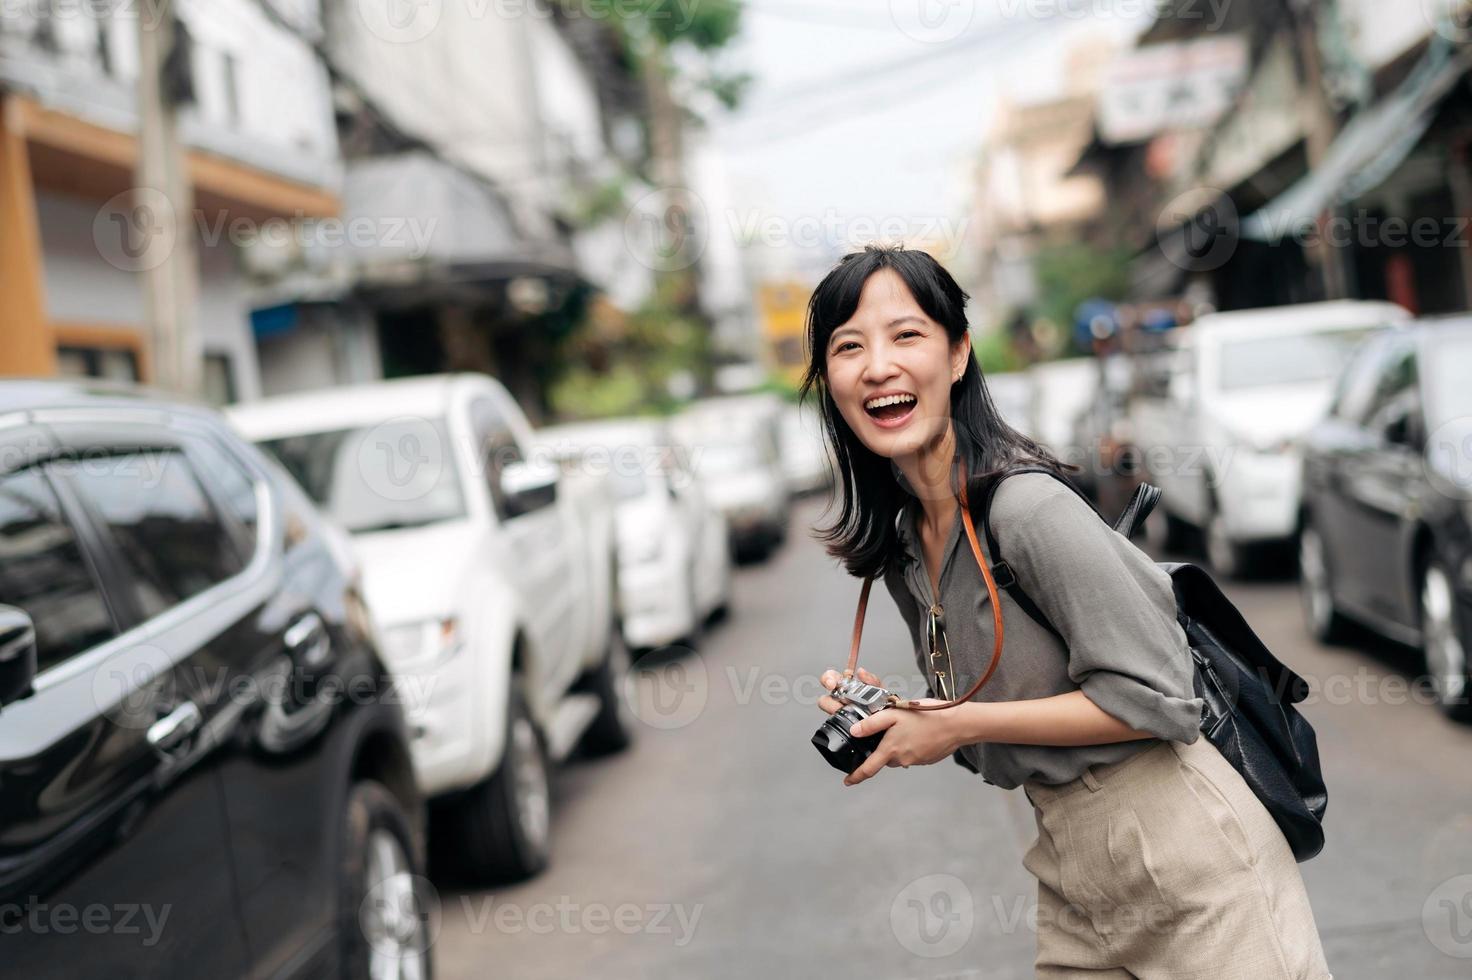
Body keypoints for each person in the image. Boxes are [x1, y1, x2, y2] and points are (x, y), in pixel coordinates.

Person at [804, 244, 1331, 979]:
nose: (878, 365)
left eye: (907, 335)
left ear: (958, 355)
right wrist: (907, 718)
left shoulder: (1027, 508)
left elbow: (1161, 699)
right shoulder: (905, 548)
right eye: (848, 347)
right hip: (1070, 871)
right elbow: (998, 727)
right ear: (830, 381)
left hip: (1190, 858)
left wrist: (959, 722)